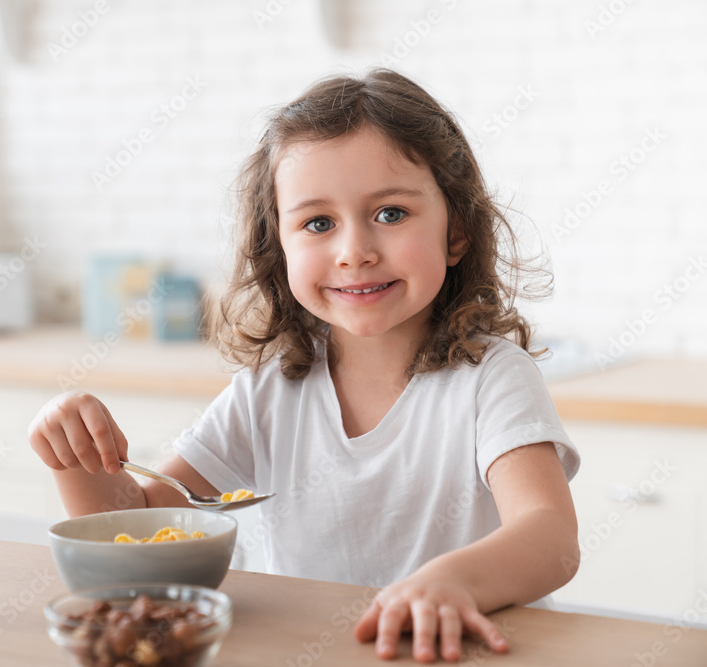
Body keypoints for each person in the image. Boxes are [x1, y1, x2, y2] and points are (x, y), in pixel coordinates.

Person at [28, 68, 581, 664]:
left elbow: (550, 537)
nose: (354, 252)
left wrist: (452, 583)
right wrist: (74, 454)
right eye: (318, 223)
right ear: (280, 249)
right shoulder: (270, 390)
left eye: (391, 213)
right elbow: (136, 530)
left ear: (456, 234)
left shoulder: (491, 378)